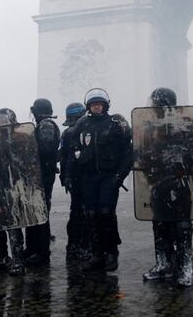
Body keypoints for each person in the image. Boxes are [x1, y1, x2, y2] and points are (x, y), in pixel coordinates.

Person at [141, 87, 193, 287]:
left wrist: (183, 162)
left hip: (178, 182)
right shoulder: (149, 126)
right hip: (158, 183)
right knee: (160, 224)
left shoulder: (185, 124)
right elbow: (142, 153)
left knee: (182, 226)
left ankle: (185, 268)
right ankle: (163, 263)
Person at [71, 88, 132, 272]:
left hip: (109, 176)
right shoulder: (82, 124)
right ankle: (97, 254)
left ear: (105, 105)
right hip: (88, 177)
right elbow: (73, 151)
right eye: (93, 104)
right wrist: (71, 176)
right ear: (88, 106)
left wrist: (120, 175)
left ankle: (112, 253)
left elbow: (127, 152)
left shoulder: (116, 123)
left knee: (105, 213)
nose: (96, 106)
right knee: (91, 215)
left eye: (99, 103)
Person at [0, 108, 28, 276]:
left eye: (4, 119)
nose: (1, 123)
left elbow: (24, 164)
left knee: (13, 223)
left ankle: (17, 259)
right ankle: (1, 257)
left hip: (12, 186)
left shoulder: (19, 138)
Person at [25, 98, 60, 267]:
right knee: (33, 212)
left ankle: (42, 252)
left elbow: (46, 149)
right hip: (38, 174)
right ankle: (32, 248)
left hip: (42, 175)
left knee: (40, 212)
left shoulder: (46, 125)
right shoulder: (43, 125)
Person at [60, 102, 89, 261]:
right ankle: (83, 247)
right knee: (84, 213)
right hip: (82, 178)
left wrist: (66, 178)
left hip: (73, 178)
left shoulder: (66, 133)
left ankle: (73, 247)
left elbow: (63, 158)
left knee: (76, 213)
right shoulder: (78, 132)